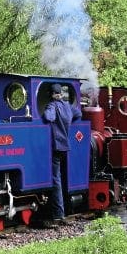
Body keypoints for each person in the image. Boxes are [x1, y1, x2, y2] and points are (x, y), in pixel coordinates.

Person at [42, 83, 82, 224]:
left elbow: (49, 117)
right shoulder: (67, 106)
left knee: (56, 178)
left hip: (56, 146)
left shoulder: (53, 105)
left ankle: (59, 213)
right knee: (63, 177)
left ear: (52, 95)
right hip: (66, 145)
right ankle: (64, 209)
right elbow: (79, 113)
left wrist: (48, 107)